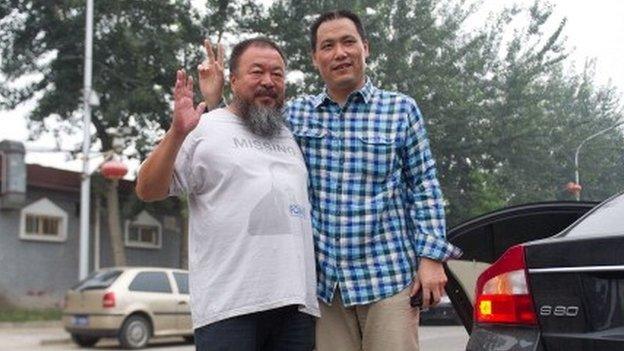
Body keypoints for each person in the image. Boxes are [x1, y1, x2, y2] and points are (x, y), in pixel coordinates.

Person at [200, 11, 461, 351]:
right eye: (328, 46)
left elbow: (424, 185)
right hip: (325, 288)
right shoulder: (294, 114)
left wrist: (431, 257)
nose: (339, 53)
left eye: (348, 42)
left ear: (365, 48)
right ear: (315, 58)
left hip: (389, 279)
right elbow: (243, 135)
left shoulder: (401, 110)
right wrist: (213, 100)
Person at [136, 37, 319, 351]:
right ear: (233, 80)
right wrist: (177, 131)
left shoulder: (290, 136)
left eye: (277, 74)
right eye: (257, 72)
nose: (268, 82)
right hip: (229, 310)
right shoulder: (204, 128)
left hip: (296, 308)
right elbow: (148, 189)